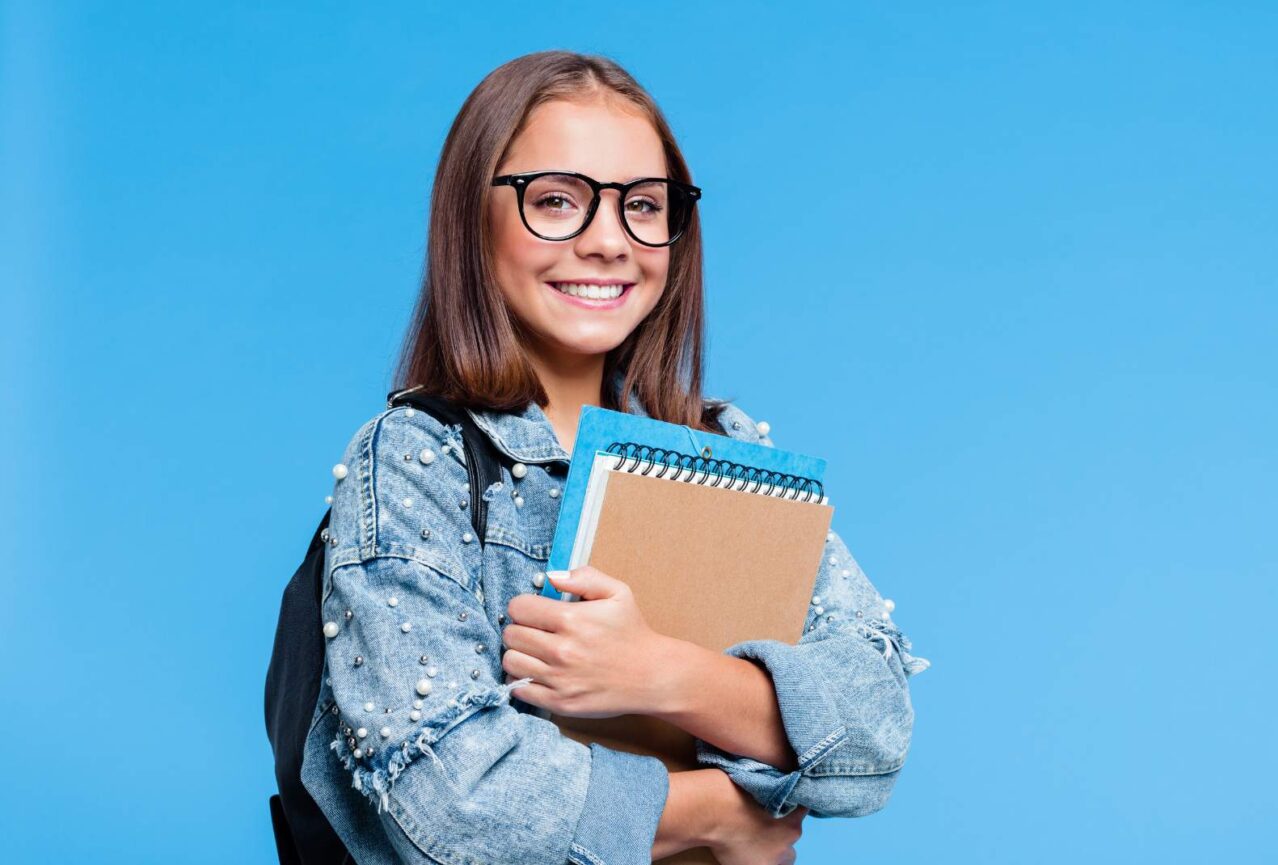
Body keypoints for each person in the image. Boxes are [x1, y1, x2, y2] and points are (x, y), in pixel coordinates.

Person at [303, 50, 931, 865]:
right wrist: (717, 811)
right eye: (557, 200)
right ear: (472, 219)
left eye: (643, 205)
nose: (608, 242)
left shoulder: (725, 452)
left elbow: (876, 731)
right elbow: (453, 802)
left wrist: (664, 674)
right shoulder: (418, 461)